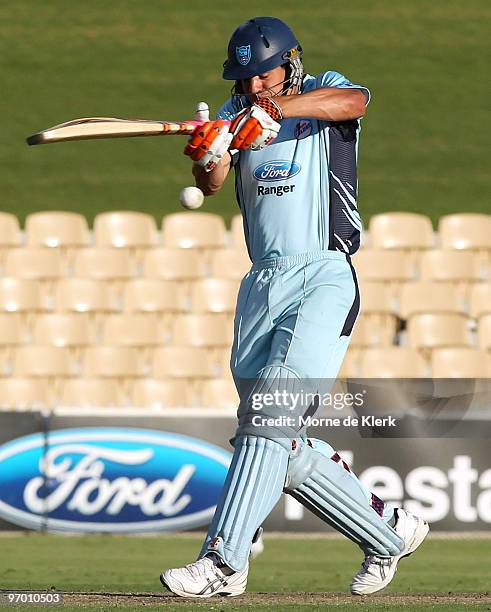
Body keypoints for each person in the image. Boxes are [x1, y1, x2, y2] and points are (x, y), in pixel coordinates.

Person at [160, 16, 429, 598]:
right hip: (261, 284)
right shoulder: (235, 112)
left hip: (324, 273)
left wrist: (279, 112)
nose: (255, 86)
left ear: (290, 63)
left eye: (264, 75)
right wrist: (210, 153)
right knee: (278, 439)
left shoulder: (321, 88)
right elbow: (208, 184)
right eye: (246, 79)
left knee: (271, 416)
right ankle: (387, 531)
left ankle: (223, 561)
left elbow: (354, 103)